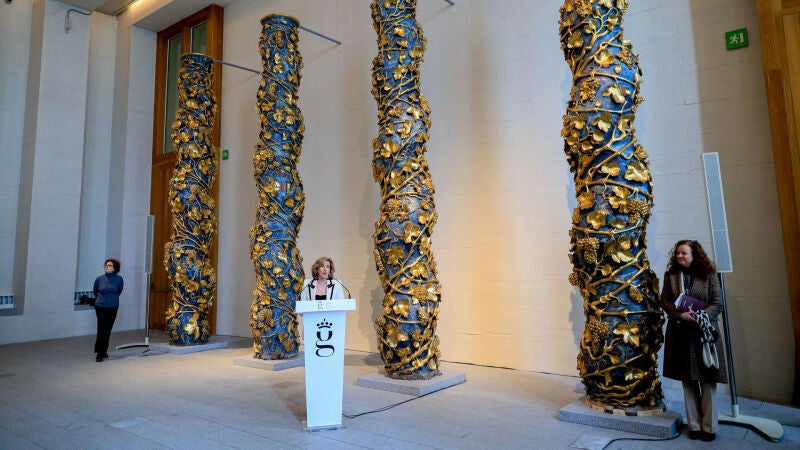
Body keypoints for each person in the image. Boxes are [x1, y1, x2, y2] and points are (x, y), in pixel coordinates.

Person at [660, 240, 727, 442]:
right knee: (688, 382)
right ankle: (695, 426)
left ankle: (709, 428)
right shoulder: (671, 275)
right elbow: (665, 301)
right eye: (678, 253)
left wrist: (700, 316)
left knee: (708, 381)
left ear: (694, 255)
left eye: (684, 253)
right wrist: (679, 315)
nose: (680, 256)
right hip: (681, 333)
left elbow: (717, 303)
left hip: (704, 334)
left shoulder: (709, 274)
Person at [93, 258, 123, 362]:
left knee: (108, 329)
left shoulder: (119, 279)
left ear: (114, 268)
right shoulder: (99, 279)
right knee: (101, 329)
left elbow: (119, 291)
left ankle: (104, 351)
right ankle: (99, 353)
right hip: (100, 306)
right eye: (105, 265)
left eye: (109, 265)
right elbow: (95, 291)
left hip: (113, 307)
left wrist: (111, 299)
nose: (106, 266)